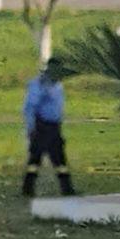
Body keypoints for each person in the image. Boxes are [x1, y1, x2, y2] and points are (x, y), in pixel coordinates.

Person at [21, 57, 77, 197]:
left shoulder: (58, 85)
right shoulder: (39, 85)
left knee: (59, 159)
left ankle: (67, 189)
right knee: (35, 158)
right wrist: (31, 127)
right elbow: (30, 107)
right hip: (42, 126)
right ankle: (28, 189)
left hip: (55, 126)